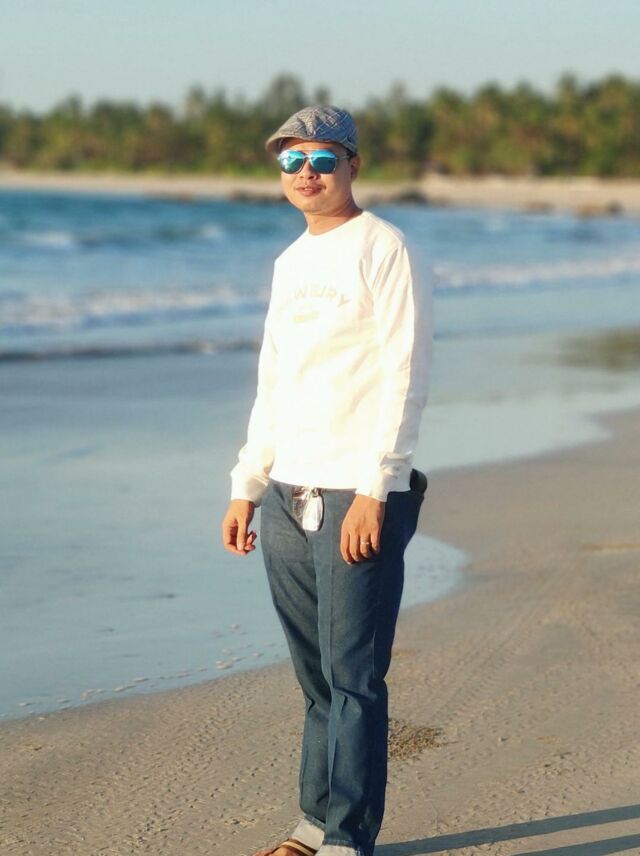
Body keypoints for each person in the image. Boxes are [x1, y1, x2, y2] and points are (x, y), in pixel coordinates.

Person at [221, 105, 432, 856]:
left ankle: (346, 838)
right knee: (316, 680)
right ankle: (313, 826)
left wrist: (379, 487)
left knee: (354, 677)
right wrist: (248, 482)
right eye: (292, 161)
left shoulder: (384, 247)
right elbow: (274, 380)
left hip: (355, 492)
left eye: (321, 159)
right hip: (286, 491)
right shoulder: (291, 262)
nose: (306, 174)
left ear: (352, 165)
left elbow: (405, 372)